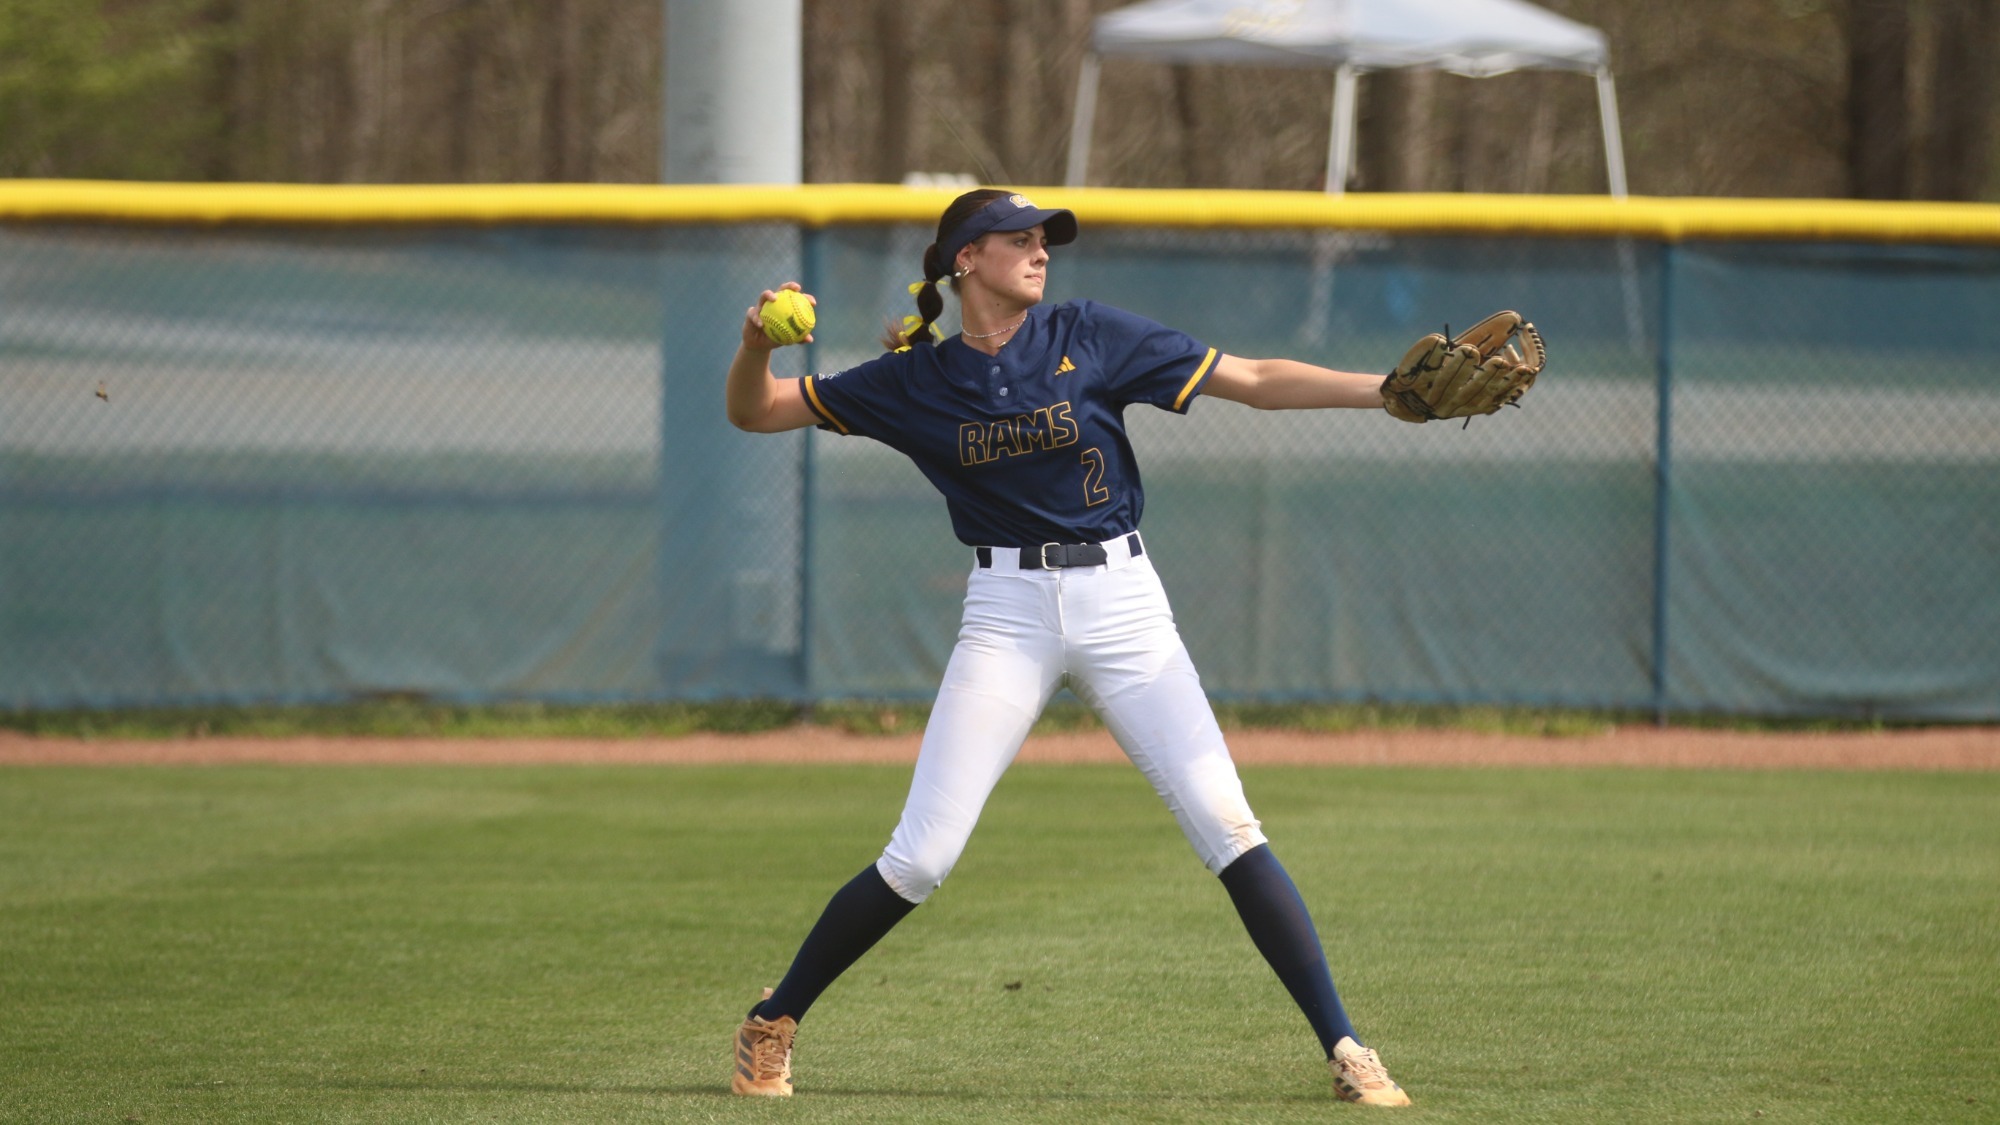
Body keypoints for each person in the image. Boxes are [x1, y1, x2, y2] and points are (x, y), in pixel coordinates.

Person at [723, 188, 1411, 1107]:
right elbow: (757, 413)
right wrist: (756, 344)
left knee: (1227, 821)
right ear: (965, 259)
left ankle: (1348, 1047)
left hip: (1124, 600)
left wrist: (1386, 393)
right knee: (922, 857)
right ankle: (775, 1018)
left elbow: (1252, 378)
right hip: (1006, 610)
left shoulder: (1091, 332)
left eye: (1045, 238)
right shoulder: (912, 380)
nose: (1039, 250)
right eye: (1017, 238)